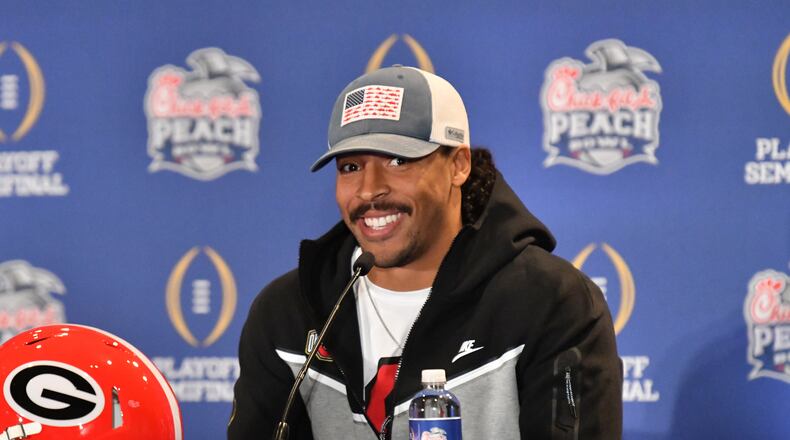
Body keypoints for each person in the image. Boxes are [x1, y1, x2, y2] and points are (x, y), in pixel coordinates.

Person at [228, 66, 622, 439]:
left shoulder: (550, 302)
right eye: (350, 167)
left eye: (399, 161)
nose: (368, 190)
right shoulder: (286, 312)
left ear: (459, 165)